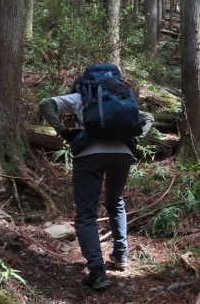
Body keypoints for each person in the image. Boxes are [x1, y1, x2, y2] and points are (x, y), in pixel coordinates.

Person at [38, 86, 153, 291]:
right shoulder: (123, 99)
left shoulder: (81, 97)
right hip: (122, 154)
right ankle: (120, 256)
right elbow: (148, 118)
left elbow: (45, 104)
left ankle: (97, 272)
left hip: (88, 155)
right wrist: (135, 140)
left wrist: (64, 131)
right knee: (115, 200)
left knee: (86, 214)